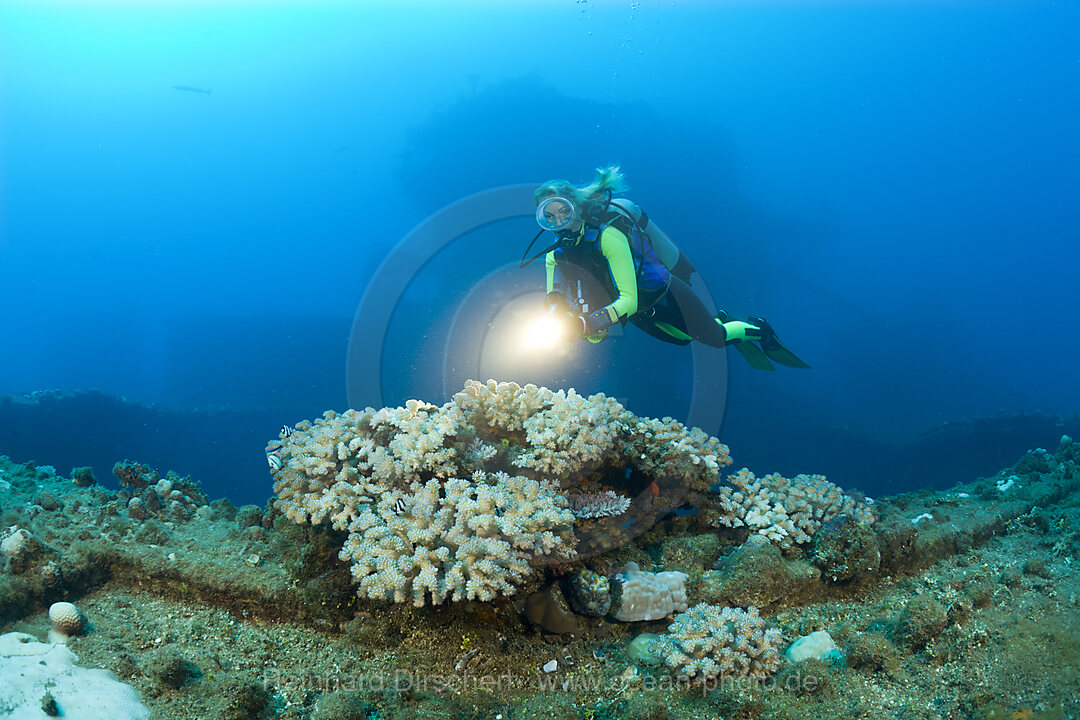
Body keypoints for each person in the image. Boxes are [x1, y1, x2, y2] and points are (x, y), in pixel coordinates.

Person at [525, 165, 809, 370]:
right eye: (549, 216)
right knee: (684, 340)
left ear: (576, 205)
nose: (560, 220)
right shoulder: (556, 256)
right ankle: (718, 318)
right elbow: (557, 300)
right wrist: (563, 321)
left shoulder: (608, 236)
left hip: (664, 294)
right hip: (637, 315)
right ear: (542, 220)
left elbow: (628, 298)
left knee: (715, 338)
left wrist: (586, 322)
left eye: (564, 209)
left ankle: (760, 330)